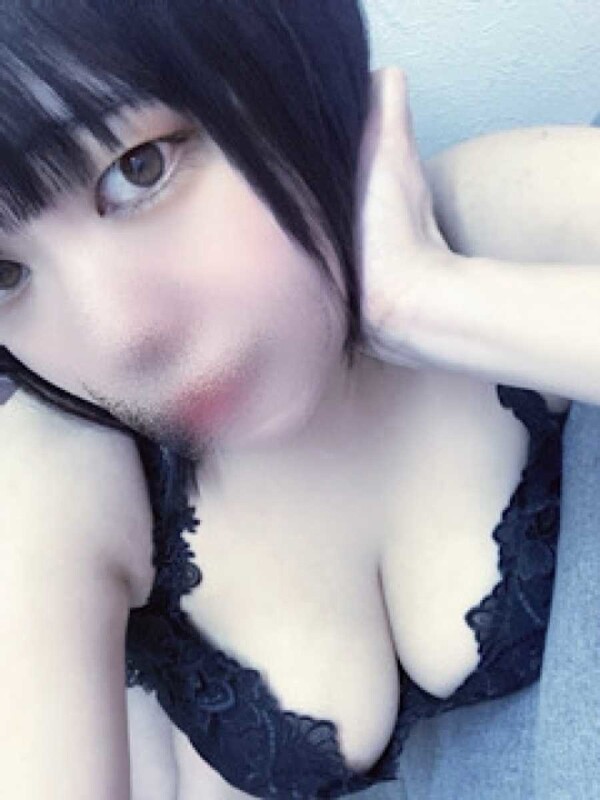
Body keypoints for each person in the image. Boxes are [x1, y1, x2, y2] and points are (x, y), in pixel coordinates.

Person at [0, 2, 598, 798]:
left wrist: (426, 302)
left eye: (138, 169)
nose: (121, 339)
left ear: (281, 64)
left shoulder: (485, 218)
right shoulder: (55, 478)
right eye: (4, 275)